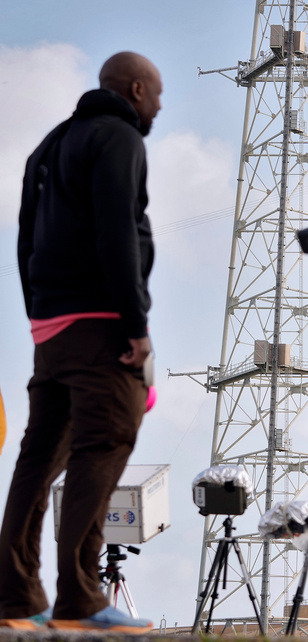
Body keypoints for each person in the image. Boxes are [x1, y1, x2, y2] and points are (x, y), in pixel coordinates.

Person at [0, 51, 160, 634]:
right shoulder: (117, 138)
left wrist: (37, 318)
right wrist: (135, 326)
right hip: (100, 325)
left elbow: (24, 243)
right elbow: (118, 230)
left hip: (51, 327)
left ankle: (15, 595)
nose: (159, 108)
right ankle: (81, 599)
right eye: (157, 97)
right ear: (136, 90)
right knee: (105, 445)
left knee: (38, 458)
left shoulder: (49, 145)